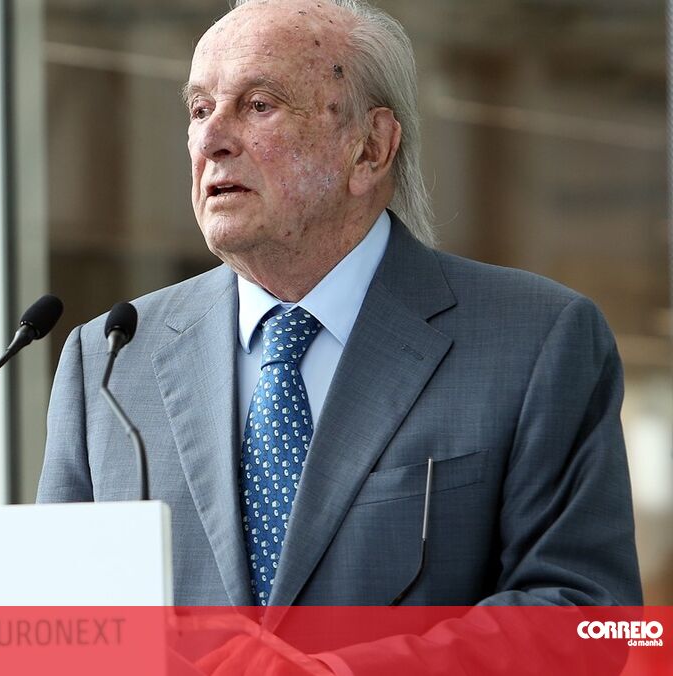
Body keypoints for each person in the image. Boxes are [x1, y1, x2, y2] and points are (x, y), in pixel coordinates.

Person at [37, 0, 640, 615]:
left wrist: (338, 663)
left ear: (370, 148)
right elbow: (55, 620)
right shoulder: (110, 361)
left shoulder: (536, 340)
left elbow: (586, 612)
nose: (211, 140)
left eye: (258, 105)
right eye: (199, 109)